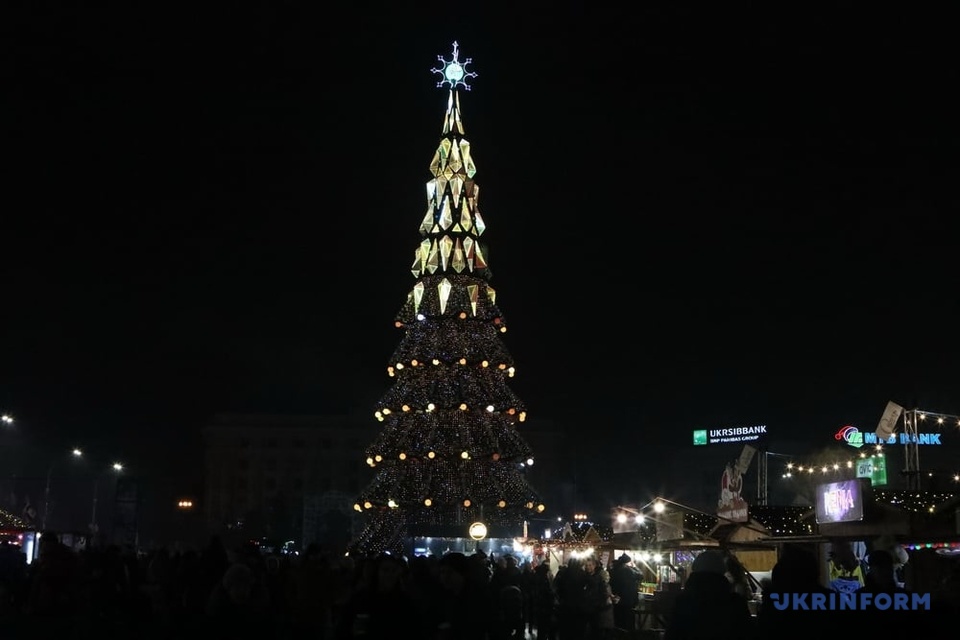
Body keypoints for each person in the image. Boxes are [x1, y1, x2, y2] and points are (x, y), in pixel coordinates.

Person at [665, 550, 756, 640]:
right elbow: (747, 633)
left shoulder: (683, 602)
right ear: (722, 571)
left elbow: (672, 634)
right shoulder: (735, 603)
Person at [609, 553, 641, 631]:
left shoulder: (613, 570)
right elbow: (640, 576)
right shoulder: (628, 570)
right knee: (628, 624)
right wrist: (635, 567)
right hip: (628, 601)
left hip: (617, 600)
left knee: (619, 624)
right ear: (627, 562)